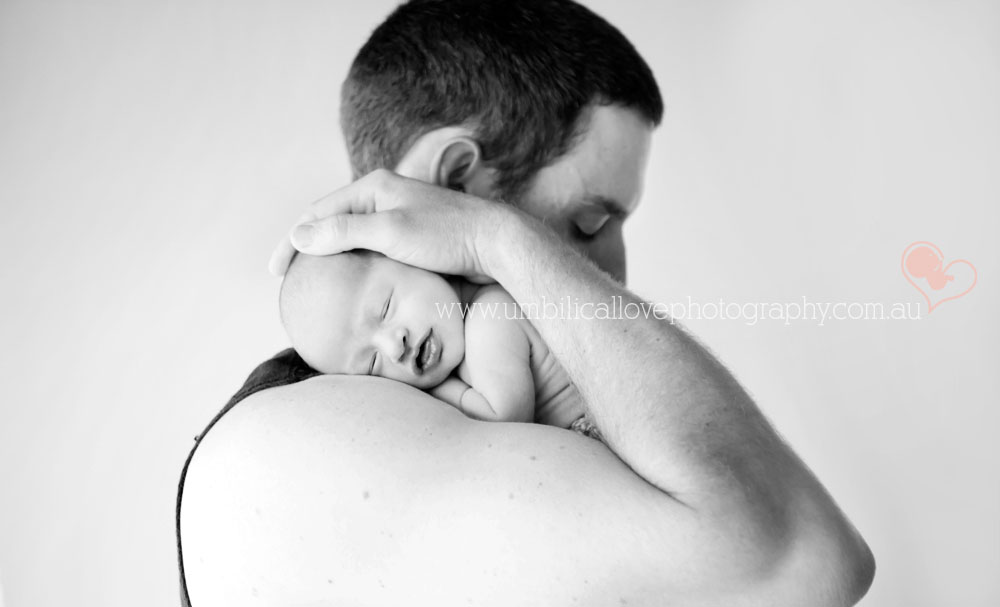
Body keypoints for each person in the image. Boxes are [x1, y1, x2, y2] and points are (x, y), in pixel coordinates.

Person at [177, 1, 875, 605]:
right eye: (590, 224)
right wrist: (494, 240)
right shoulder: (299, 442)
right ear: (455, 179)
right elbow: (809, 563)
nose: (617, 274)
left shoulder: (415, 412)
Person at [280, 250, 588, 428]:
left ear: (414, 258)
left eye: (385, 308)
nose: (393, 347)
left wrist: (439, 392)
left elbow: (507, 420)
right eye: (372, 364)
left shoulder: (489, 318)